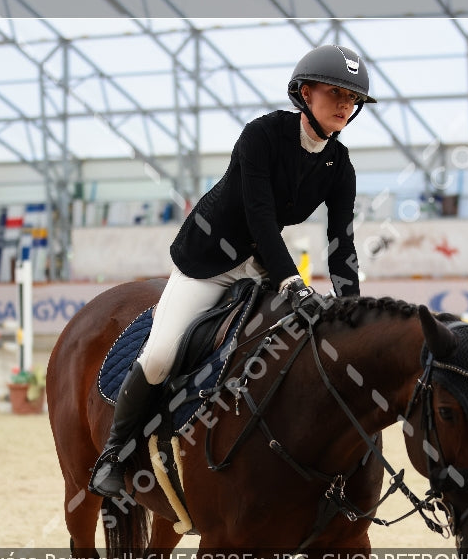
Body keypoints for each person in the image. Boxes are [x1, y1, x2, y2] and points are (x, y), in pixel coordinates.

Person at [89, 44, 377, 498]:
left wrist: (353, 306)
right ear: (304, 92)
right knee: (162, 353)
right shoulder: (261, 135)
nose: (346, 104)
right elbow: (260, 218)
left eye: (353, 98)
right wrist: (293, 283)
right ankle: (114, 452)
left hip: (263, 268)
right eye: (335, 91)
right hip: (208, 262)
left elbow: (341, 243)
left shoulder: (339, 167)